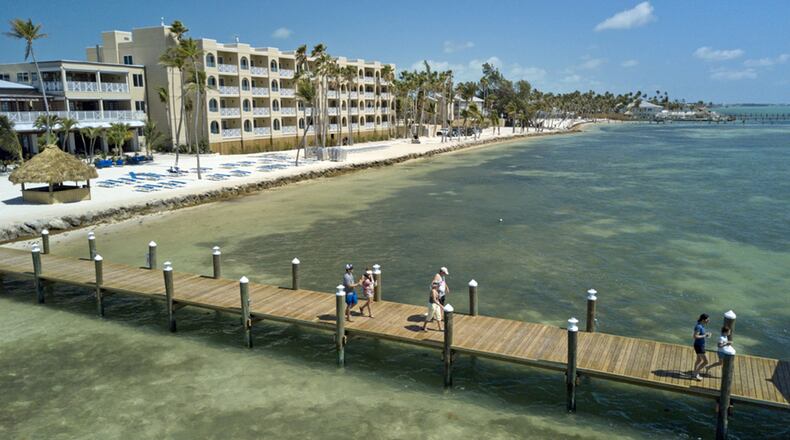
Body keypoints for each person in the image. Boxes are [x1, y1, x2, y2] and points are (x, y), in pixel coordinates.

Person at [691, 313, 711, 381]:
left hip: (700, 345)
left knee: (699, 360)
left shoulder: (701, 325)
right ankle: (696, 373)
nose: (708, 321)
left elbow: (700, 334)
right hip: (699, 346)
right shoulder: (699, 326)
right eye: (707, 319)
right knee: (706, 361)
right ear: (703, 320)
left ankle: (695, 372)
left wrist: (705, 334)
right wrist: (705, 336)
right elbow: (695, 336)